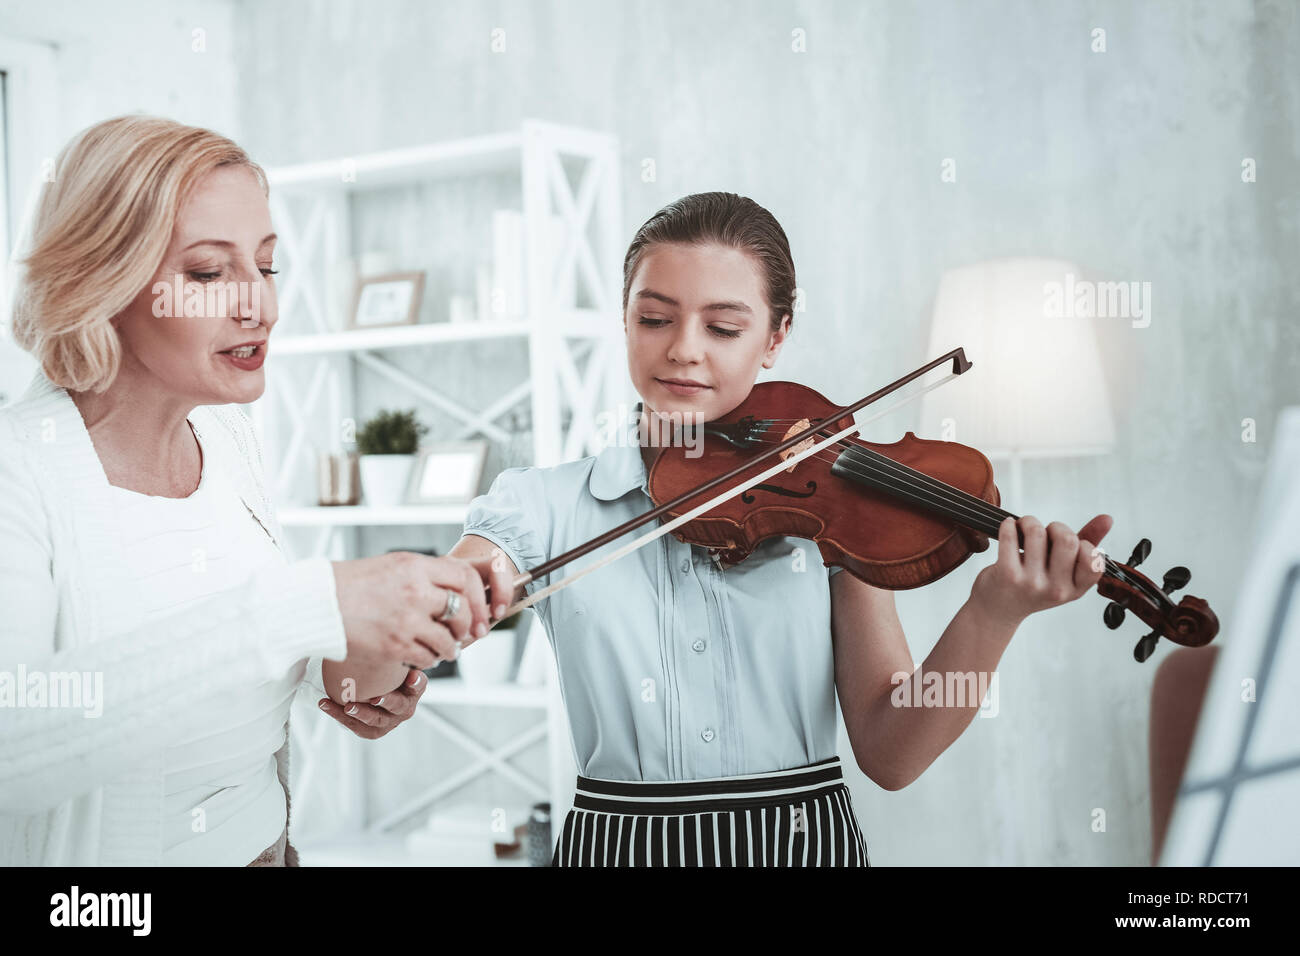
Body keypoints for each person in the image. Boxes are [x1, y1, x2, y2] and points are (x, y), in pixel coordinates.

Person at [346, 191, 1113, 866]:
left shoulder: (828, 508)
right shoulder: (540, 506)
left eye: (723, 327)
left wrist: (994, 613)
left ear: (775, 338)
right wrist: (402, 653)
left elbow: (892, 751)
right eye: (655, 318)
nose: (683, 349)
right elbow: (422, 616)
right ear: (623, 320)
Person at [0, 115, 509, 866]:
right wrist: (311, 606)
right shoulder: (21, 470)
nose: (260, 307)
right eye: (209, 273)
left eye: (266, 268)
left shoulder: (227, 438)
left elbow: (240, 663)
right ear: (102, 281)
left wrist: (354, 666)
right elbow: (14, 751)